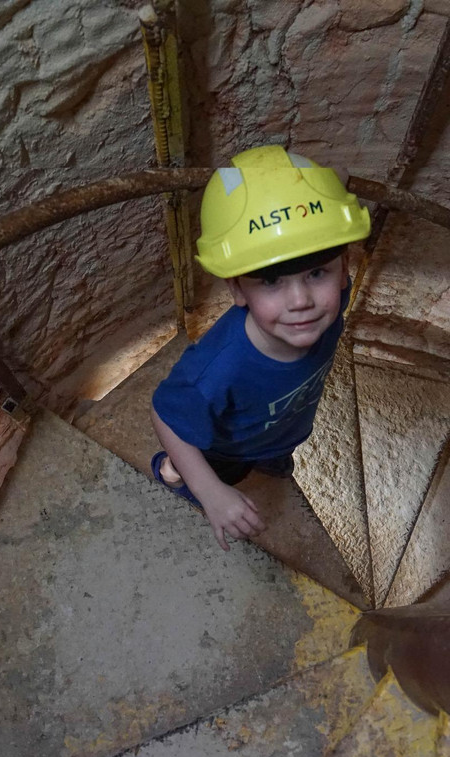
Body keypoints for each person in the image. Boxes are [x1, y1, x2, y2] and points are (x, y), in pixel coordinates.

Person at [150, 144, 371, 551]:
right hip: (225, 448)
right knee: (213, 473)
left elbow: (335, 189)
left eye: (317, 272)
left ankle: (272, 456)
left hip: (282, 428)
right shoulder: (220, 368)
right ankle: (172, 471)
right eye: (271, 281)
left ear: (344, 270)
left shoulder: (333, 298)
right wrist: (211, 492)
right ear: (236, 290)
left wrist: (325, 188)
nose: (301, 300)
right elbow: (166, 413)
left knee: (274, 448)